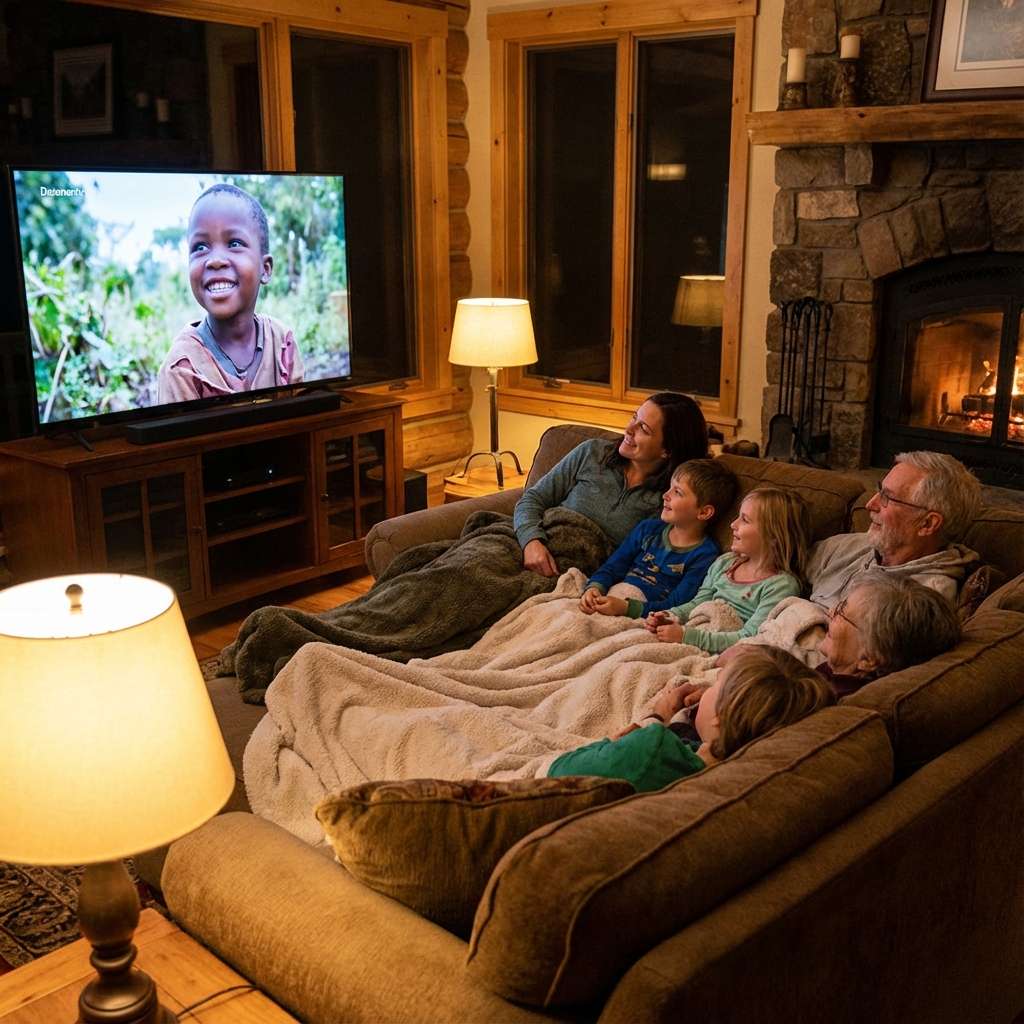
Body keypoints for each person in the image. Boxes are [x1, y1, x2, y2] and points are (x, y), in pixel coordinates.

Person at [546, 646, 835, 793]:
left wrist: (652, 720)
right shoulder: (743, 775)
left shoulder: (653, 747)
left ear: (720, 718)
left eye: (716, 684)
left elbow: (558, 773)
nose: (705, 690)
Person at [515, 392, 709, 575]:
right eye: (634, 417)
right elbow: (533, 498)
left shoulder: (670, 499)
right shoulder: (591, 452)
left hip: (572, 569)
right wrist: (531, 541)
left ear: (667, 450)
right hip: (533, 542)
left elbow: (646, 560)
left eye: (643, 428)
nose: (629, 429)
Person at [157, 183, 304, 404]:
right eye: (200, 247)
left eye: (234, 243)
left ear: (265, 268)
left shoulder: (281, 341)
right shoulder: (182, 367)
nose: (215, 260)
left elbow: (303, 419)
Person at [645, 486, 812, 655]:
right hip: (693, 631)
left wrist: (687, 636)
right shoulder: (725, 563)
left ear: (773, 537)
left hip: (719, 652)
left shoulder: (780, 585)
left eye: (745, 520)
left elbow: (749, 637)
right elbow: (697, 604)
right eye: (737, 517)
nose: (733, 524)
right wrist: (669, 615)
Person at [807, 451, 981, 609]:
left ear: (927, 524)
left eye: (887, 497)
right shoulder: (857, 546)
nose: (870, 504)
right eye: (879, 490)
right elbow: (786, 564)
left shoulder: (919, 602)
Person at [579, 458, 737, 619]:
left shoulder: (705, 555)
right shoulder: (648, 529)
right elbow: (613, 567)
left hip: (642, 615)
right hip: (614, 597)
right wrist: (595, 588)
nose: (665, 495)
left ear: (703, 512)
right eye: (670, 488)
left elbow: (676, 605)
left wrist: (626, 608)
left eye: (677, 492)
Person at [817, 575, 961, 697]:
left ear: (869, 659)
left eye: (841, 612)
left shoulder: (828, 701)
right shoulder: (834, 676)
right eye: (841, 604)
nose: (831, 611)